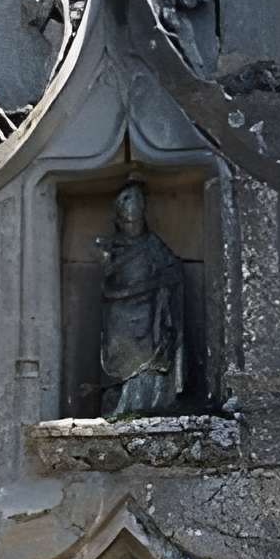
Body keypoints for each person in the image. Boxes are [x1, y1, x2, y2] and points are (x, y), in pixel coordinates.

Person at [97, 179, 185, 417]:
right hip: (118, 317)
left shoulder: (153, 244)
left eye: (136, 203)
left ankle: (146, 406)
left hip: (148, 315)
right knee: (118, 363)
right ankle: (118, 406)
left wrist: (158, 285)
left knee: (149, 363)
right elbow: (105, 280)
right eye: (126, 203)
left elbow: (174, 270)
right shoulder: (110, 246)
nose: (131, 211)